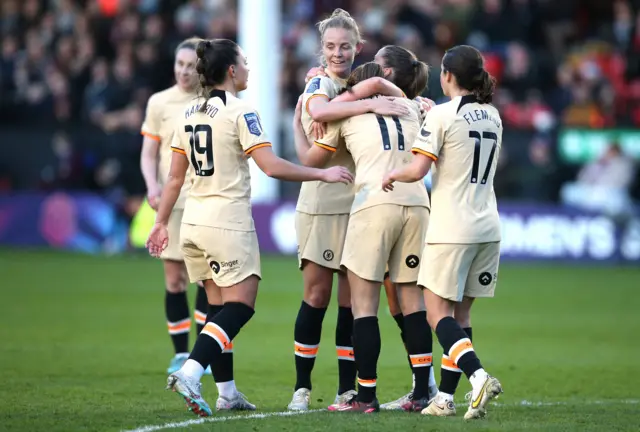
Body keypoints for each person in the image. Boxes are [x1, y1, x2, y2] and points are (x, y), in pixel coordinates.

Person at [145, 38, 354, 418]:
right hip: (227, 223)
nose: (248, 68)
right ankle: (192, 371)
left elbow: (174, 179)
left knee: (218, 309)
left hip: (192, 223)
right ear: (230, 71)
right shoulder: (242, 112)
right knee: (240, 307)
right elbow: (271, 166)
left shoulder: (187, 113)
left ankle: (226, 392)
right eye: (244, 61)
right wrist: (321, 173)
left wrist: (161, 224)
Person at [287, 8, 409, 412]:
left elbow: (405, 96)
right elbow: (319, 115)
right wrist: (369, 106)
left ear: (358, 48)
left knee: (350, 302)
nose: (338, 53)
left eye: (345, 46)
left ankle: (346, 389)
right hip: (322, 200)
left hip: (360, 203)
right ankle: (302, 388)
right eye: (330, 46)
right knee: (317, 295)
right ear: (321, 49)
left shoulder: (361, 85)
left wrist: (402, 99)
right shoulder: (319, 84)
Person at [382, 44, 504, 420]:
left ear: (447, 75)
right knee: (461, 316)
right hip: (488, 225)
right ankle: (445, 400)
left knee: (437, 315)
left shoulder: (442, 115)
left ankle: (479, 376)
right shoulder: (494, 115)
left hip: (453, 226)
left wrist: (391, 173)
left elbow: (418, 170)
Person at [139, 37, 212, 376]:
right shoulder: (159, 103)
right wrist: (152, 185)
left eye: (190, 65)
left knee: (205, 280)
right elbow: (149, 152)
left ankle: (202, 354)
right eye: (179, 64)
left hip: (204, 200)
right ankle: (181, 354)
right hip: (172, 201)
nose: (184, 71)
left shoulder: (214, 101)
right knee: (175, 280)